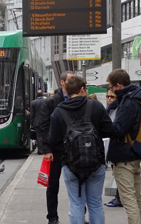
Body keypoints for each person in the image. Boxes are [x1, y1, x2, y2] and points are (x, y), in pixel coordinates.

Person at [48, 76, 114, 224]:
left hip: (71, 166)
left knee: (76, 205)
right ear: (83, 89)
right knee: (96, 204)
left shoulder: (58, 112)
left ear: (67, 90)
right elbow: (110, 130)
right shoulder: (96, 106)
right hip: (96, 162)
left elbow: (53, 140)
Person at [106, 69, 141, 224]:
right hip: (134, 153)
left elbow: (119, 130)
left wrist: (106, 125)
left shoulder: (128, 102)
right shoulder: (137, 98)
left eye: (111, 87)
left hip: (124, 156)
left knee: (128, 199)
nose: (111, 91)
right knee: (137, 198)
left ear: (118, 85)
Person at [37, 70, 75, 224]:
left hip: (74, 149)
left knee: (79, 183)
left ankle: (78, 214)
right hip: (56, 150)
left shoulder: (78, 100)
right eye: (71, 80)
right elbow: (43, 126)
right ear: (62, 82)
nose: (73, 83)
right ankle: (52, 217)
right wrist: (46, 149)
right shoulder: (51, 102)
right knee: (53, 186)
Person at [104, 90, 122, 208]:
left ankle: (119, 198)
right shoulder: (109, 109)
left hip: (116, 145)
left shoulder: (117, 109)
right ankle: (118, 197)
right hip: (111, 144)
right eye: (108, 96)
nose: (109, 98)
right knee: (115, 171)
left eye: (112, 97)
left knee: (118, 173)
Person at [30, 89, 47, 154]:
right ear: (42, 94)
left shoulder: (33, 102)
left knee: (39, 137)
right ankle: (46, 149)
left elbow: (32, 114)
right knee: (45, 136)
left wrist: (32, 123)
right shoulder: (46, 101)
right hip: (45, 121)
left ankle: (40, 151)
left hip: (37, 122)